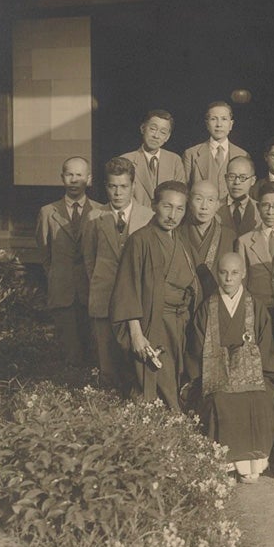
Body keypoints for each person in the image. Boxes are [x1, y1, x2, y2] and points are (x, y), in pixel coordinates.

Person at [185, 252, 274, 483]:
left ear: (244, 274)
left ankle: (251, 466)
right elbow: (196, 348)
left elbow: (266, 346)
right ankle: (224, 464)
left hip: (252, 374)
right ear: (217, 274)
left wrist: (263, 375)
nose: (228, 278)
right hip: (215, 376)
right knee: (219, 400)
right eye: (223, 272)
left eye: (234, 272)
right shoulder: (208, 307)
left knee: (259, 398)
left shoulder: (255, 306)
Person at [110, 181, 199, 411]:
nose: (173, 215)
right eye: (167, 207)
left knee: (177, 380)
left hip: (179, 325)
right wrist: (136, 333)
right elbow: (127, 288)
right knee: (157, 383)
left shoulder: (181, 239)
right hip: (152, 324)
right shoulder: (139, 240)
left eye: (180, 209)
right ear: (154, 205)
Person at [82, 157, 153, 393]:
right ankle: (107, 405)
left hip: (136, 301)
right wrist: (102, 284)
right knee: (106, 361)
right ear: (106, 187)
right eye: (112, 186)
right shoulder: (93, 217)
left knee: (134, 359)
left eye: (123, 186)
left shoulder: (148, 217)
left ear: (133, 186)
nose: (118, 192)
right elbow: (90, 259)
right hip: (104, 298)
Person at [36, 156, 103, 368]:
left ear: (89, 179)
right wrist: (58, 276)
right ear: (62, 178)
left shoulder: (101, 211)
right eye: (69, 174)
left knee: (92, 347)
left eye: (79, 175)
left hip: (91, 289)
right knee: (68, 351)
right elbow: (45, 254)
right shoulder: (48, 212)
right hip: (62, 290)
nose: (74, 180)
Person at [176, 180, 236, 297]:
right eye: (198, 199)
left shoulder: (230, 236)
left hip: (217, 300)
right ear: (188, 201)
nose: (204, 206)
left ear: (218, 205)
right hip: (182, 302)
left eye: (210, 200)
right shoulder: (177, 233)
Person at [183, 101, 250, 201]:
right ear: (207, 124)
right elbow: (185, 192)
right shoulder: (191, 154)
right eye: (213, 119)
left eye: (224, 119)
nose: (219, 124)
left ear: (231, 124)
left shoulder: (243, 155)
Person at [120, 109, 185, 206]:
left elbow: (180, 196)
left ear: (167, 137)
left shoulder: (175, 161)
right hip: (136, 218)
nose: (156, 136)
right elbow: (122, 197)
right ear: (142, 128)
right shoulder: (126, 160)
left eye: (163, 132)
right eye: (153, 129)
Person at [218, 156, 260, 238]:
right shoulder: (214, 208)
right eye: (232, 176)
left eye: (243, 177)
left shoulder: (260, 210)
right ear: (226, 179)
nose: (236, 182)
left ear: (253, 180)